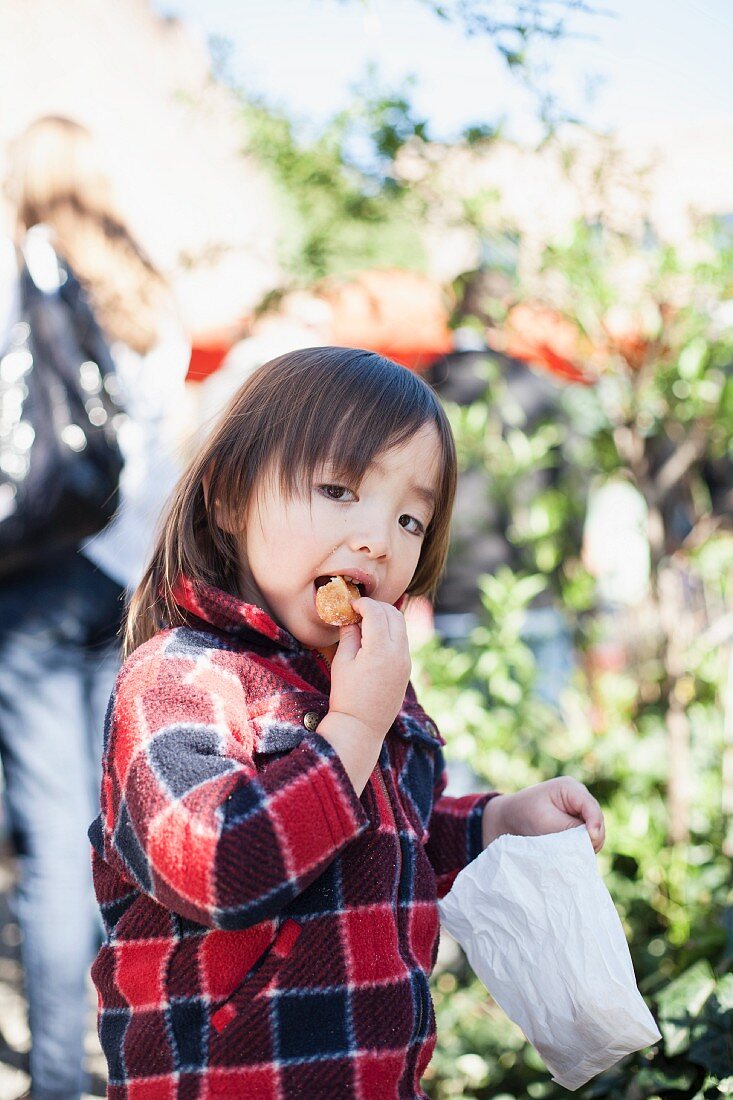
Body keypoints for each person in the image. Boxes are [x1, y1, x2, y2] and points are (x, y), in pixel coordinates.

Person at [89, 347, 605, 1098]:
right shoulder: (180, 677)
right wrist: (355, 727)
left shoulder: (355, 679)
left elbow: (386, 836)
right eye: (337, 490)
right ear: (231, 498)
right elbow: (219, 868)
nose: (377, 538)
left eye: (409, 517)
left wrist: (492, 824)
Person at [0, 116, 189, 1099]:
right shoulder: (152, 293)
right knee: (115, 830)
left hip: (36, 576)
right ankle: (131, 1058)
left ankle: (61, 1080)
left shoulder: (23, 271)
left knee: (53, 831)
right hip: (127, 588)